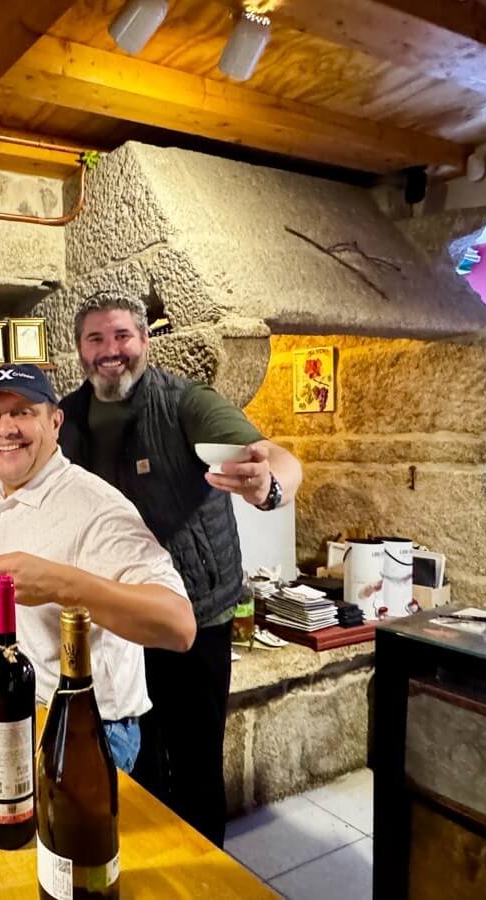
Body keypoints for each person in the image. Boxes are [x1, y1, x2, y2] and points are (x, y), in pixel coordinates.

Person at [59, 290, 304, 846]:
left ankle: (205, 877)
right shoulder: (66, 416)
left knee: (195, 764)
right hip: (118, 618)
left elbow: (279, 460)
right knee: (134, 760)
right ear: (80, 349)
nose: (110, 350)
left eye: (122, 335)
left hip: (197, 617)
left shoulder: (185, 403)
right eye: (96, 338)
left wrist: (269, 488)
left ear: (144, 341)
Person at [0, 364, 196, 774]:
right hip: (10, 716)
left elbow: (178, 624)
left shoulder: (93, 505)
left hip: (80, 732)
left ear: (55, 422)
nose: (6, 428)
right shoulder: (2, 486)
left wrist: (56, 584)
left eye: (23, 412)